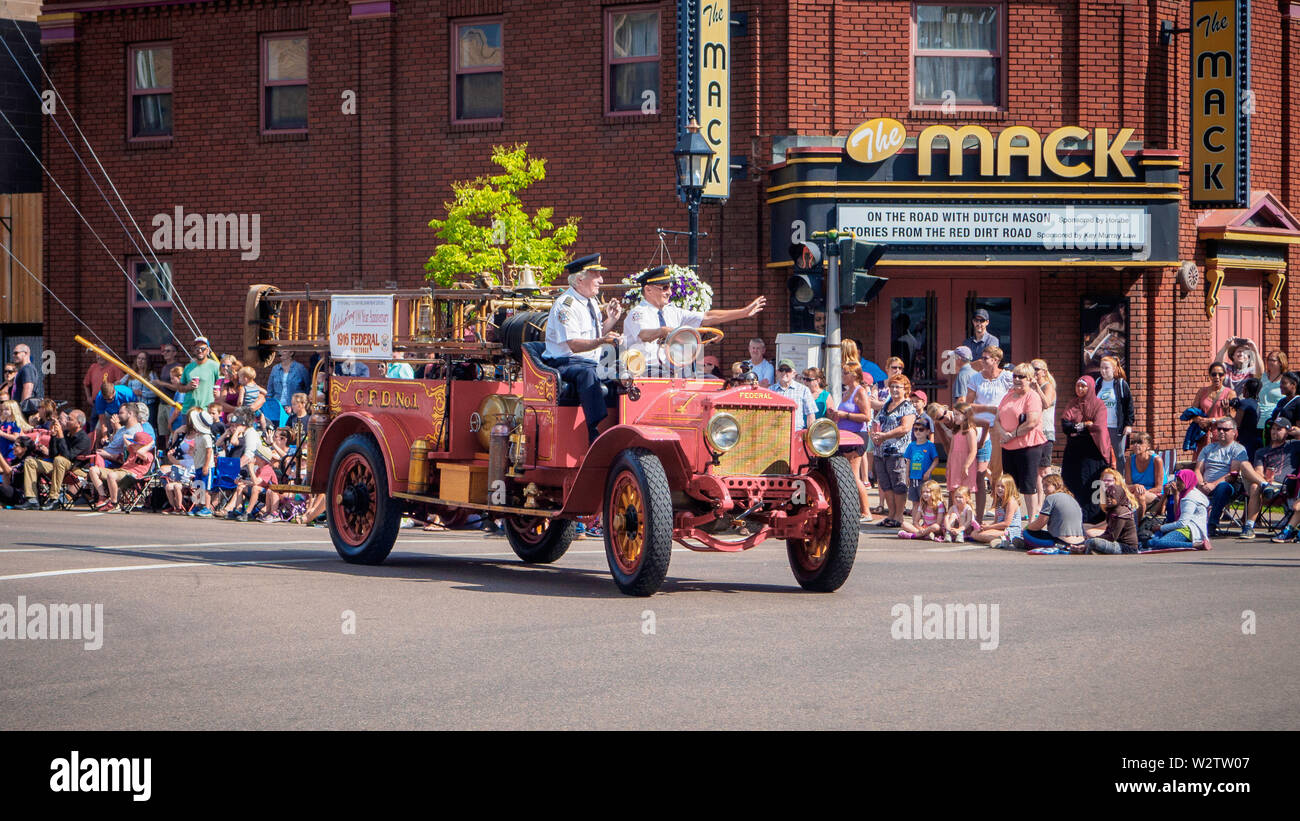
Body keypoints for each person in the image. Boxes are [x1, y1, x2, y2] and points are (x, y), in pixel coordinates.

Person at [622, 265, 765, 373]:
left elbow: (707, 317)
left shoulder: (673, 312)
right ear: (648, 290)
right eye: (664, 288)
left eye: (670, 288)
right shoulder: (638, 313)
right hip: (646, 371)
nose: (670, 292)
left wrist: (743, 312)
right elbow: (643, 335)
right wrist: (663, 331)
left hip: (675, 370)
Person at [542, 253, 623, 444]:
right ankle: (595, 430)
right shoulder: (565, 305)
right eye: (596, 275)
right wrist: (603, 340)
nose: (601, 280)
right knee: (587, 374)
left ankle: (620, 423)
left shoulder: (591, 302)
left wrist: (612, 320)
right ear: (580, 279)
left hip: (588, 361)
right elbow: (574, 345)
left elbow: (594, 336)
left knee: (622, 370)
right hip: (563, 362)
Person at [996, 363, 1049, 519]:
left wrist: (1012, 434)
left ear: (1030, 379)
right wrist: (1002, 433)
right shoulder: (1008, 395)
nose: (1017, 379)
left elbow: (1032, 422)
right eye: (1015, 376)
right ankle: (1009, 518)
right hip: (1007, 446)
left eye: (1021, 377)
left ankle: (1032, 519)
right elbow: (997, 418)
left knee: (1028, 485)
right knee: (1009, 486)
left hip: (1028, 447)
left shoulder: (1032, 397)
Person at [965, 345, 1012, 521]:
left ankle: (996, 504)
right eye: (982, 358)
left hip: (1000, 427)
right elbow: (968, 404)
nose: (982, 361)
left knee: (997, 468)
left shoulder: (1007, 377)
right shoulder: (976, 378)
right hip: (979, 427)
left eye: (986, 358)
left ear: (996, 360)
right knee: (982, 468)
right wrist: (989, 408)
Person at [1060, 375, 1112, 524]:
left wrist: (1079, 427)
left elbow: (1098, 426)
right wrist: (1084, 425)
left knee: (1091, 483)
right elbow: (1065, 426)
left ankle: (1093, 518)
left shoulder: (1099, 404)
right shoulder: (1072, 404)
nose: (1080, 389)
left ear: (1090, 388)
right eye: (1078, 386)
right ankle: (1076, 516)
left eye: (1084, 386)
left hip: (1092, 451)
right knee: (1072, 480)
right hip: (1074, 451)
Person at [827, 360, 873, 522]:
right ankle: (851, 509)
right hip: (844, 436)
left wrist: (844, 415)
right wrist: (835, 415)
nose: (842, 376)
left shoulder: (860, 391)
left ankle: (866, 511)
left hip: (856, 436)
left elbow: (866, 416)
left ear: (854, 375)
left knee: (853, 476)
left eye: (845, 373)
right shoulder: (847, 392)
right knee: (844, 476)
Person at [19, 410, 92, 510]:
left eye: (70, 419)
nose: (66, 421)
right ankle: (32, 499)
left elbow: (68, 457)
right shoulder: (66, 433)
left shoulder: (84, 439)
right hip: (58, 467)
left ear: (78, 423)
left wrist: (61, 436)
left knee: (59, 460)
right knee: (30, 461)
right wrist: (53, 436)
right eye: (67, 418)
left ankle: (54, 498)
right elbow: (53, 454)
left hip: (76, 470)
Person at [870, 374, 916, 528]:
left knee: (898, 484)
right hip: (880, 451)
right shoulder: (886, 404)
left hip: (898, 451)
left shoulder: (907, 406)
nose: (895, 390)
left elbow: (905, 428)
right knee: (885, 484)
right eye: (892, 386)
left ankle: (899, 516)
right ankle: (890, 514)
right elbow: (875, 422)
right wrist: (874, 435)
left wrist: (885, 435)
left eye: (898, 387)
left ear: (906, 389)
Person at [1242, 417, 1300, 537]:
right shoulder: (1261, 451)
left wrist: (1297, 431)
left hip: (1283, 485)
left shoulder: (1293, 446)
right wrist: (1265, 481)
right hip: (1266, 485)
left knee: (1255, 486)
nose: (1274, 431)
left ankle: (1249, 524)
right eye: (1273, 428)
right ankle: (1249, 527)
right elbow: (1258, 471)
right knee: (1245, 467)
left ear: (1287, 432)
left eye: (1279, 429)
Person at [1196, 418, 1248, 537]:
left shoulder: (1238, 450)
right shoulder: (1208, 448)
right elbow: (1198, 470)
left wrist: (1213, 485)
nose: (1221, 432)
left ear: (1234, 432)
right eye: (1219, 429)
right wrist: (1201, 484)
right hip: (1204, 484)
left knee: (1222, 487)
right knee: (1182, 484)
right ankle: (1177, 522)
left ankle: (1211, 524)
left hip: (1228, 486)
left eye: (1225, 429)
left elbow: (1233, 474)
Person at [88, 430, 154, 511]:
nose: (132, 444)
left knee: (111, 475)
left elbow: (140, 452)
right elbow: (124, 436)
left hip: (132, 475)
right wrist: (136, 442)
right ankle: (103, 496)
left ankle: (114, 503)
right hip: (120, 471)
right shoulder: (133, 450)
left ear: (143, 445)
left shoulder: (148, 455)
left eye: (135, 443)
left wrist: (150, 443)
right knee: (93, 470)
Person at [1147, 469, 1211, 550]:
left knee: (1155, 543)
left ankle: (1196, 545)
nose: (1178, 483)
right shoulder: (1190, 493)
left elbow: (1182, 523)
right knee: (1151, 540)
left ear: (1188, 481)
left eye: (1181, 481)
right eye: (1177, 480)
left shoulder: (1189, 499)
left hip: (1188, 530)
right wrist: (1168, 495)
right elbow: (1165, 513)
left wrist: (1161, 527)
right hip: (1186, 528)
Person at [1022, 473, 1086, 550]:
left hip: (1062, 541)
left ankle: (1025, 544)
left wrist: (1026, 528)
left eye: (1046, 485)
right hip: (1081, 541)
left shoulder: (1051, 498)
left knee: (1028, 533)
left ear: (1056, 485)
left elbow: (1039, 524)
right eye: (1043, 486)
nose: (1044, 489)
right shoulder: (1072, 498)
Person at [173, 337, 222, 426]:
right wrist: (188, 387)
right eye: (197, 348)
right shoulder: (188, 367)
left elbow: (222, 383)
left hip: (206, 410)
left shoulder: (215, 366)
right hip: (188, 410)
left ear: (207, 350)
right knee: (188, 438)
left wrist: (219, 394)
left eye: (203, 348)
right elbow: (180, 387)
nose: (200, 351)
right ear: (194, 351)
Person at [1094, 355, 1133, 461]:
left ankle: (1122, 476)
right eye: (1101, 368)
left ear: (1114, 369)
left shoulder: (1120, 384)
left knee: (1119, 455)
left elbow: (1129, 405)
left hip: (1115, 426)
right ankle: (1103, 476)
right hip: (1101, 426)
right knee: (1100, 454)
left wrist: (1128, 424)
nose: (1103, 371)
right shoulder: (1098, 383)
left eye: (1106, 368)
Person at [971, 475, 1024, 549]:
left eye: (1003, 486)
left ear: (1009, 488)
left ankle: (1008, 540)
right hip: (1000, 529)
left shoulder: (1011, 502)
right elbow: (996, 521)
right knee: (974, 533)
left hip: (1010, 530)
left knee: (983, 535)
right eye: (997, 486)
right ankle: (1001, 540)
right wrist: (987, 526)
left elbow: (1006, 523)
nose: (999, 488)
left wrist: (989, 527)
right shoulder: (998, 501)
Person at [1191, 363, 1236, 446]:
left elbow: (1232, 417)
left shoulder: (1230, 393)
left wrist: (1210, 420)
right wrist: (1200, 420)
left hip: (1222, 435)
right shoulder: (1202, 391)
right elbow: (1192, 413)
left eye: (1220, 374)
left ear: (1225, 376)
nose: (1217, 377)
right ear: (1209, 375)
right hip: (1203, 435)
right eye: (1214, 374)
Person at [768, 359, 818, 431]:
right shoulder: (770, 390)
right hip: (775, 432)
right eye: (781, 370)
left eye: (788, 370)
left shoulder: (803, 390)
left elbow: (810, 415)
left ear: (794, 373)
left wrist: (809, 436)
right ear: (777, 372)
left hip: (796, 432)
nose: (784, 373)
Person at [1124, 431, 1165, 512]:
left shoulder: (1156, 460)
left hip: (1154, 494)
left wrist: (1142, 491)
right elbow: (1128, 485)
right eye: (1134, 442)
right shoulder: (1129, 460)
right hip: (1134, 492)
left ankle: (1138, 523)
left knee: (1139, 496)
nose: (1135, 445)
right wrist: (1135, 486)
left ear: (1148, 446)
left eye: (1139, 442)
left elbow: (1159, 488)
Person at [904, 418, 938, 512]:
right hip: (913, 478)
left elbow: (936, 460)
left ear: (927, 431)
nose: (918, 432)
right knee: (915, 502)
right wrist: (907, 475)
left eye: (921, 429)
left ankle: (926, 520)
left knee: (926, 501)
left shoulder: (930, 445)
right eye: (915, 429)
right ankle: (915, 521)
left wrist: (928, 472)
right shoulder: (911, 445)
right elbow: (908, 461)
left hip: (924, 479)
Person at [1257, 350, 1289, 435]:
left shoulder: (1286, 380)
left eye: (1273, 360)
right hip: (1259, 420)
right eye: (1268, 360)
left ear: (1281, 363)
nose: (1269, 362)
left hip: (1275, 422)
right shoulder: (1263, 377)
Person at [1232, 378, 1263, 458]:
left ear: (1246, 389)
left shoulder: (1245, 403)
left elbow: (1236, 424)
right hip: (1256, 440)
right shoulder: (1258, 403)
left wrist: (1226, 412)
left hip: (1244, 441)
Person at [10, 343, 42, 415]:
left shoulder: (27, 369)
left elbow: (27, 390)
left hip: (23, 412)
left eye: (16, 353)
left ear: (25, 353)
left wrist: (21, 411)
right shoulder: (24, 369)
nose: (13, 356)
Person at [1267, 371, 1300, 438]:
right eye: (1280, 383)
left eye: (1284, 383)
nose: (1281, 386)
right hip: (1277, 441)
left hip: (1290, 443)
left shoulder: (1298, 402)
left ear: (1293, 385)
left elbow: (1298, 428)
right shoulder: (1282, 401)